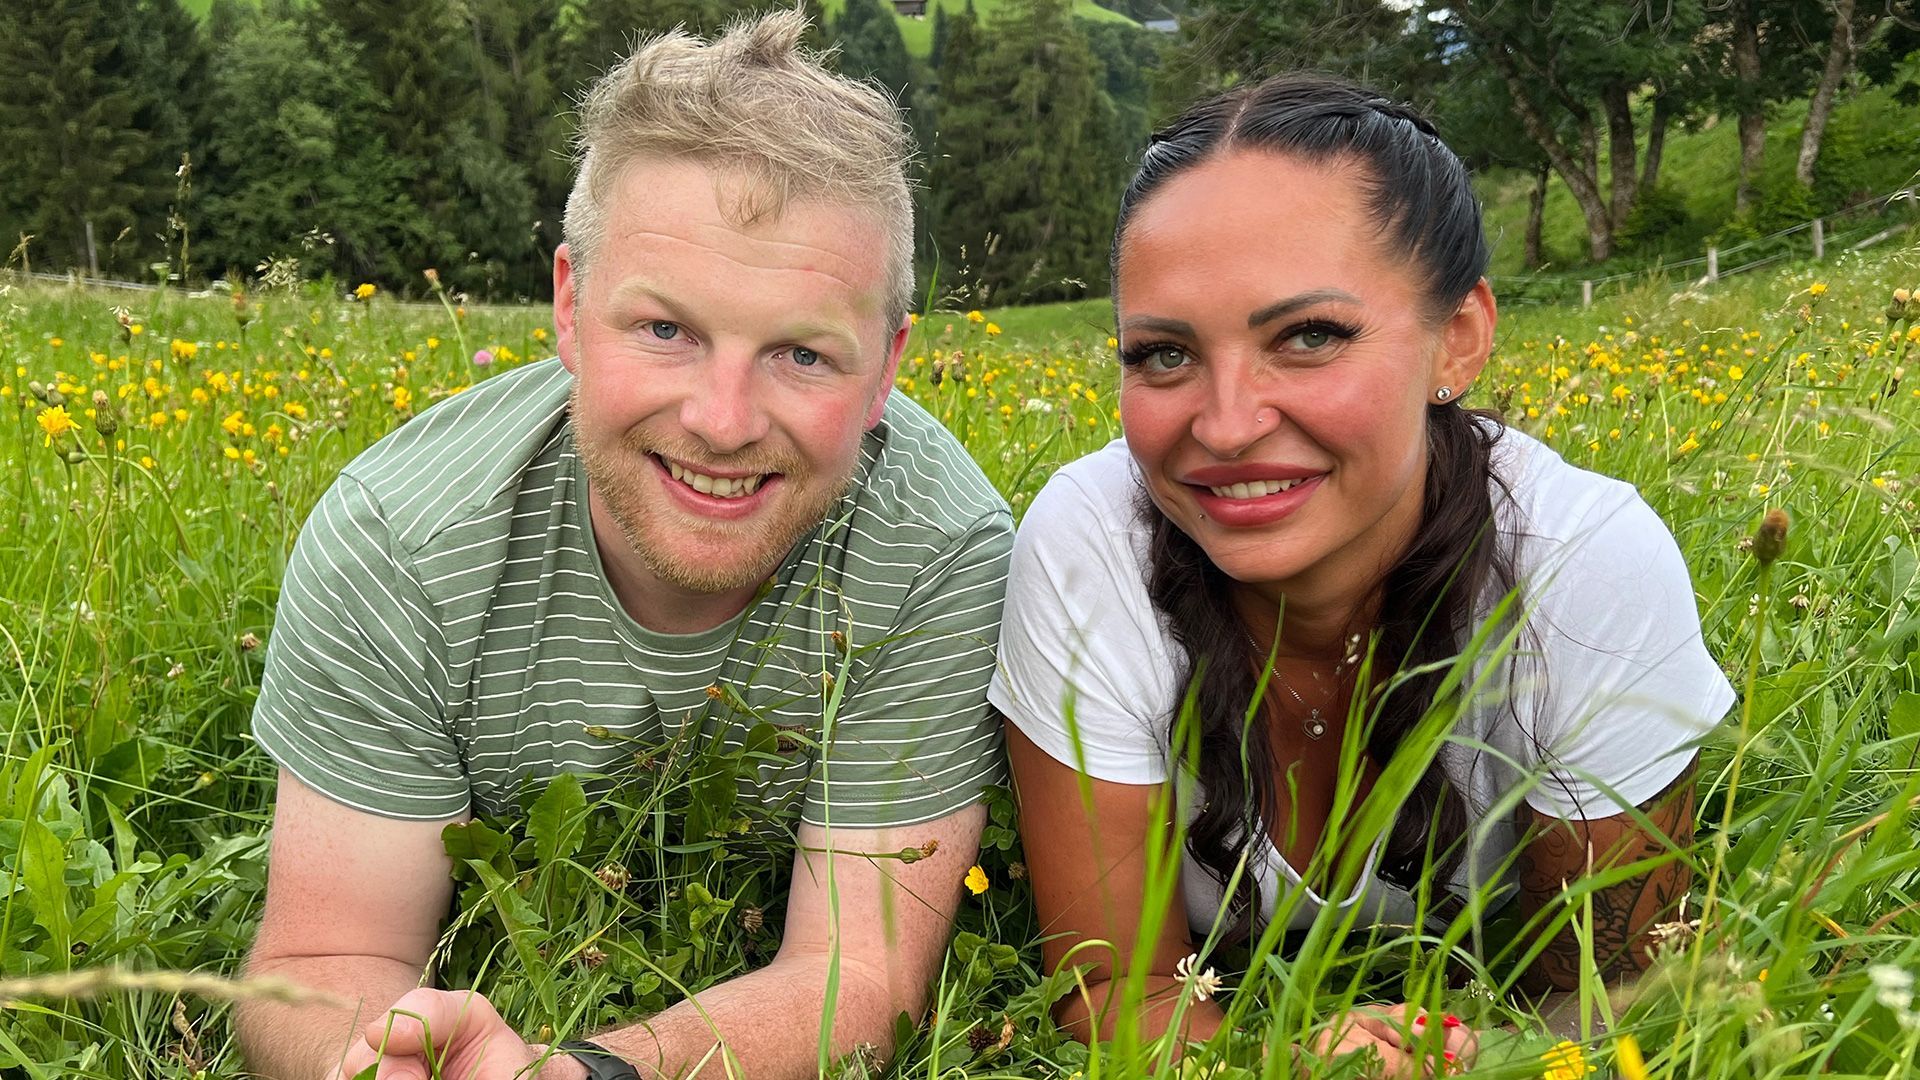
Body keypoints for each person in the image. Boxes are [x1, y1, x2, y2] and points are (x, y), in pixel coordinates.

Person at [234, 12, 1012, 1080]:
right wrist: (371, 1061)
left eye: (802, 352)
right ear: (569, 304)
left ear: (887, 368)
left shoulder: (937, 551)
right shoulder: (398, 542)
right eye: (665, 331)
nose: (724, 420)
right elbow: (331, 951)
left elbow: (862, 976)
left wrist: (587, 1074)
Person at [989, 74, 1732, 1076]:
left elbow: (1605, 990)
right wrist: (1277, 1066)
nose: (1225, 424)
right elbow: (1116, 988)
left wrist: (1479, 1057)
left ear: (1457, 340)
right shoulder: (1092, 547)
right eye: (1164, 353)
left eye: (1309, 336)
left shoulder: (1582, 564)